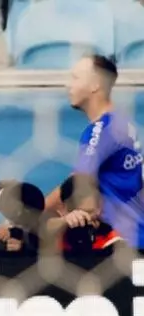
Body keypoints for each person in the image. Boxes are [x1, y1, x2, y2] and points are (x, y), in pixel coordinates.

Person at [43, 55, 144, 249]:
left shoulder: (100, 130)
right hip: (136, 236)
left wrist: (31, 214)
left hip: (118, 243)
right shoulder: (123, 123)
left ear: (95, 85)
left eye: (75, 78)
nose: (68, 85)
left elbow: (79, 181)